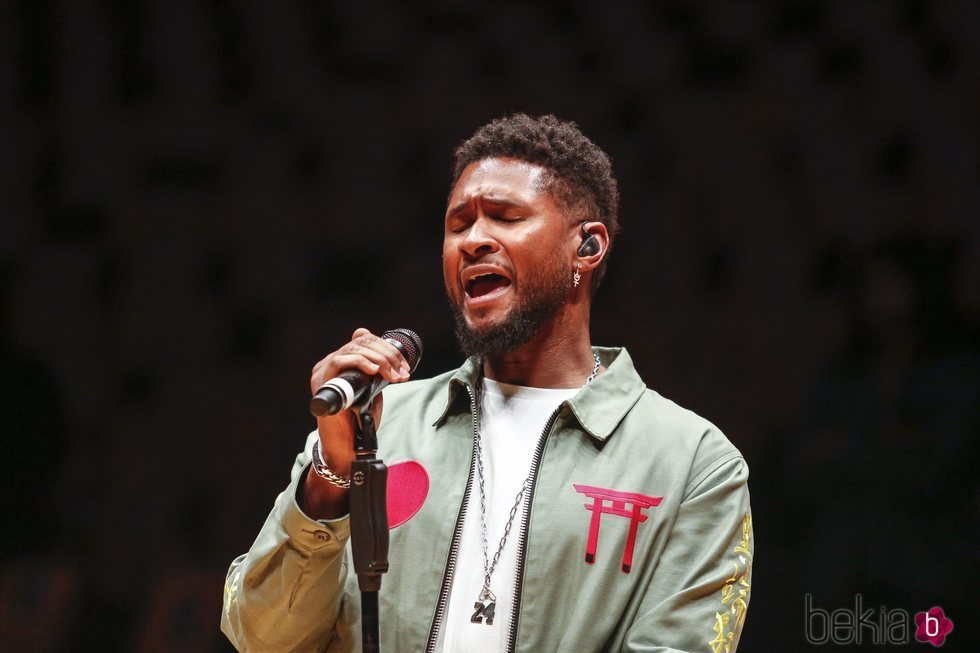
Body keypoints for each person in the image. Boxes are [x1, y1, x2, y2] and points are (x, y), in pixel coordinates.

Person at [221, 114, 754, 653]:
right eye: (458, 225)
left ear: (587, 248)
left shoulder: (692, 463)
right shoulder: (377, 423)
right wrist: (332, 474)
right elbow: (261, 638)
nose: (474, 240)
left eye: (505, 217)